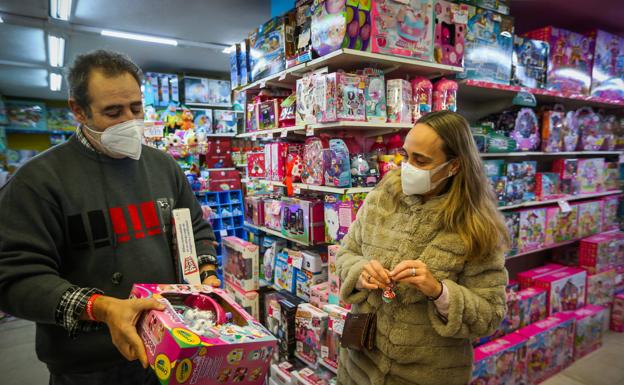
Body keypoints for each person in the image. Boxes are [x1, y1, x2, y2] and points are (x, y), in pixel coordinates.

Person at [0, 50, 221, 385]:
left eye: (135, 108)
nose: (128, 122)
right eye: (113, 112)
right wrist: (101, 308)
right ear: (78, 110)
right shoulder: (37, 181)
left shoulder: (163, 166)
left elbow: (195, 227)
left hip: (171, 346)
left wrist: (206, 273)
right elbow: (13, 277)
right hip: (89, 367)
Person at [336, 111, 509, 385]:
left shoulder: (477, 229)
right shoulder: (382, 198)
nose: (407, 167)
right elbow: (346, 253)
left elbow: (489, 314)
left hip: (426, 374)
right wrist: (360, 273)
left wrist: (438, 291)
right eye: (405, 156)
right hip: (359, 366)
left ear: (454, 166)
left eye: (421, 161)